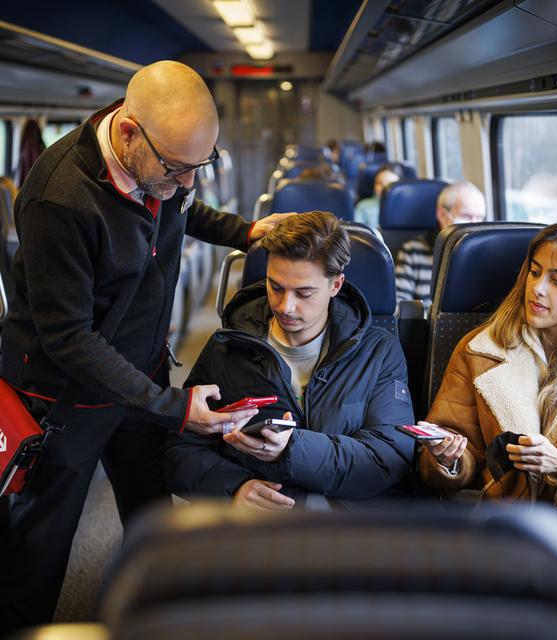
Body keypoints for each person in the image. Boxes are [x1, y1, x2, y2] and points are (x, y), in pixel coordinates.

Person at [0, 60, 290, 632]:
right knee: (38, 552)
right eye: (178, 168)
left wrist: (246, 232)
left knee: (156, 519)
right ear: (128, 133)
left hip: (143, 376)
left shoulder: (160, 157)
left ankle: (158, 621)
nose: (187, 182)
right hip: (65, 398)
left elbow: (180, 206)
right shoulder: (59, 199)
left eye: (198, 167)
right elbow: (69, 339)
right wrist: (173, 406)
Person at [163, 211, 415, 511]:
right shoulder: (230, 347)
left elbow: (388, 458)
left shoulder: (379, 352)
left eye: (304, 293)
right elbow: (181, 452)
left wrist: (292, 449)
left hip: (346, 527)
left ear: (335, 285)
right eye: (276, 287)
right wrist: (235, 488)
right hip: (259, 530)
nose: (286, 307)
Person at [418, 220, 557, 503]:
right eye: (535, 273)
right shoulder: (479, 352)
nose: (537, 288)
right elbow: (455, 448)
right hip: (508, 524)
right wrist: (448, 459)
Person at [395, 180, 486, 303]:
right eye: (466, 216)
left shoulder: (487, 255)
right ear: (442, 215)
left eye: (480, 217)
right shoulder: (412, 251)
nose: (475, 224)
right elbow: (400, 305)